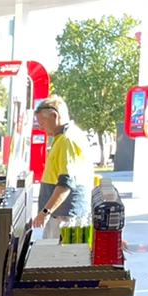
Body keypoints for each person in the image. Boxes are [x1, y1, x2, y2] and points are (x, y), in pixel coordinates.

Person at [32, 95, 93, 235]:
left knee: (59, 256)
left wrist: (46, 212)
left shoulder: (66, 140)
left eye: (42, 123)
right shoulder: (67, 136)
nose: (41, 128)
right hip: (65, 214)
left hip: (65, 217)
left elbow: (66, 183)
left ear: (54, 116)